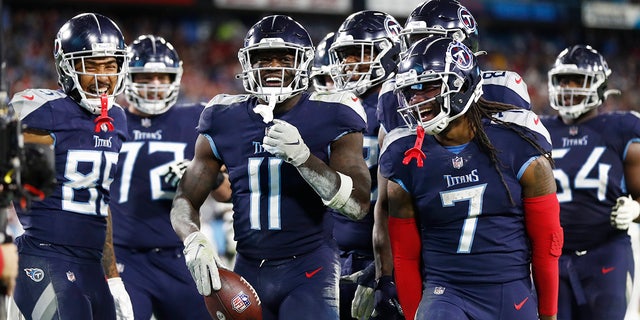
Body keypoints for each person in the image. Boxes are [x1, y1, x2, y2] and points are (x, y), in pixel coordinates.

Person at [169, 14, 371, 320]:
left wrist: (305, 159)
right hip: (249, 268)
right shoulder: (222, 116)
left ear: (303, 63)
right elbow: (186, 197)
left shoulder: (333, 112)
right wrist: (192, 239)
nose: (274, 66)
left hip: (310, 268)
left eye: (284, 58)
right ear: (248, 64)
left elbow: (357, 205)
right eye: (264, 59)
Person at [370, 0, 533, 318]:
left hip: (492, 252)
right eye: (416, 43)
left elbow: (530, 181)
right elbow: (386, 201)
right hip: (429, 246)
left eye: (434, 41)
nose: (423, 53)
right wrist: (383, 275)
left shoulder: (502, 87)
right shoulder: (394, 95)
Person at [8, 13, 134, 319]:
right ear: (67, 66)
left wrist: (114, 276)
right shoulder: (43, 113)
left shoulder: (117, 119)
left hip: (90, 266)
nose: (103, 77)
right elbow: (9, 180)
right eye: (91, 65)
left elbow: (99, 201)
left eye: (111, 65)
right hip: (45, 257)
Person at [108, 34, 230, 319]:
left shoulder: (196, 119)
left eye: (163, 77)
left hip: (182, 255)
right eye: (146, 77)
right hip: (126, 258)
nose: (155, 85)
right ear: (128, 77)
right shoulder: (110, 119)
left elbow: (227, 194)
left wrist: (204, 177)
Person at [541, 44, 640, 320]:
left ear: (598, 85)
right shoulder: (538, 130)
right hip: (552, 256)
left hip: (606, 253)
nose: (569, 88)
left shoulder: (622, 129)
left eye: (577, 80)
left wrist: (636, 209)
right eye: (563, 81)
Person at [327, 9, 404, 320]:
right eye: (344, 56)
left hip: (381, 253)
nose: (348, 65)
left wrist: (382, 267)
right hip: (330, 252)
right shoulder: (334, 106)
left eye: (358, 55)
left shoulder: (402, 108)